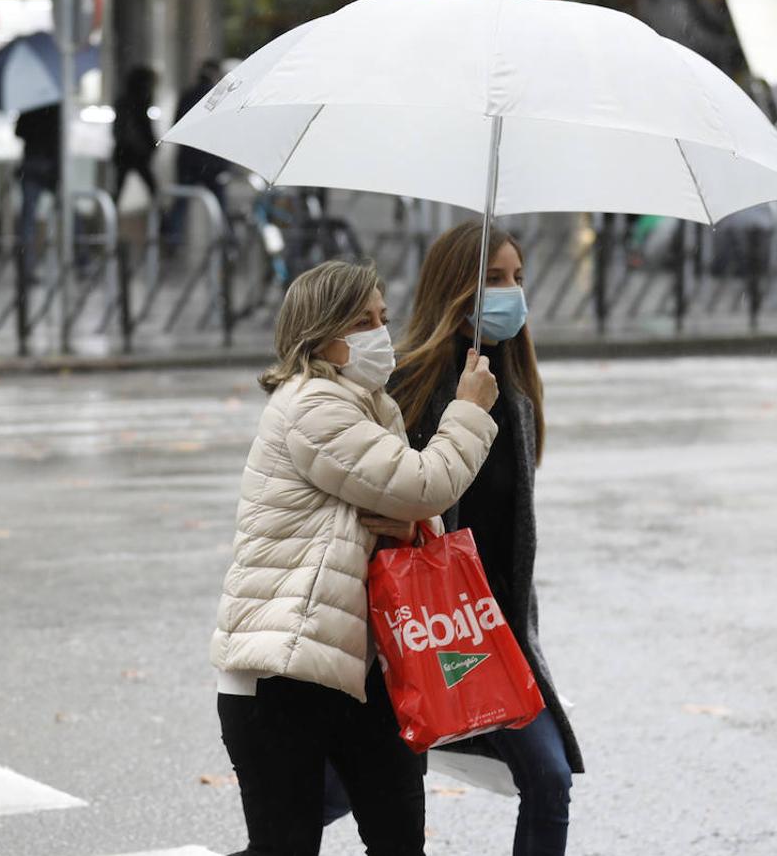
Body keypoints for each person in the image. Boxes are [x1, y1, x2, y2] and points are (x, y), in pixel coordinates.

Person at [212, 260, 500, 855]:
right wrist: (469, 409)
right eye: (362, 321)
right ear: (321, 336)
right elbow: (425, 485)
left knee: (398, 842)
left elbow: (407, 508)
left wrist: (413, 519)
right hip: (283, 673)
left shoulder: (373, 407)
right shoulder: (314, 406)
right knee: (286, 849)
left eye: (382, 318)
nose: (381, 333)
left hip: (359, 668)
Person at [388, 221, 585, 856]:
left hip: (495, 629)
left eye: (518, 279)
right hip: (427, 625)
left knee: (548, 779)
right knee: (362, 789)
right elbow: (408, 495)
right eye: (493, 280)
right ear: (456, 291)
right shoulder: (410, 384)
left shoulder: (517, 388)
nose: (511, 294)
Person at [166, 59, 231, 247]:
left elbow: (176, 126)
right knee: (219, 207)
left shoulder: (187, 95)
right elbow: (223, 129)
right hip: (212, 162)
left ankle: (172, 239)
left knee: (181, 203)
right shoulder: (218, 96)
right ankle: (226, 242)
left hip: (189, 160)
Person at [14, 104, 60, 284]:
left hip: (31, 162)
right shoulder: (55, 105)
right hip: (49, 164)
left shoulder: (30, 104)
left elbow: (19, 132)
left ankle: (27, 268)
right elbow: (58, 137)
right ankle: (81, 259)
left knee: (28, 219)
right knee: (68, 212)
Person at [111, 65, 158, 207]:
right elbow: (144, 127)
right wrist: (151, 145)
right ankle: (163, 221)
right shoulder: (139, 102)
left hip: (124, 152)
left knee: (118, 189)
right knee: (153, 189)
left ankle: (108, 219)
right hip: (135, 152)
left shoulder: (124, 102)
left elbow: (118, 129)